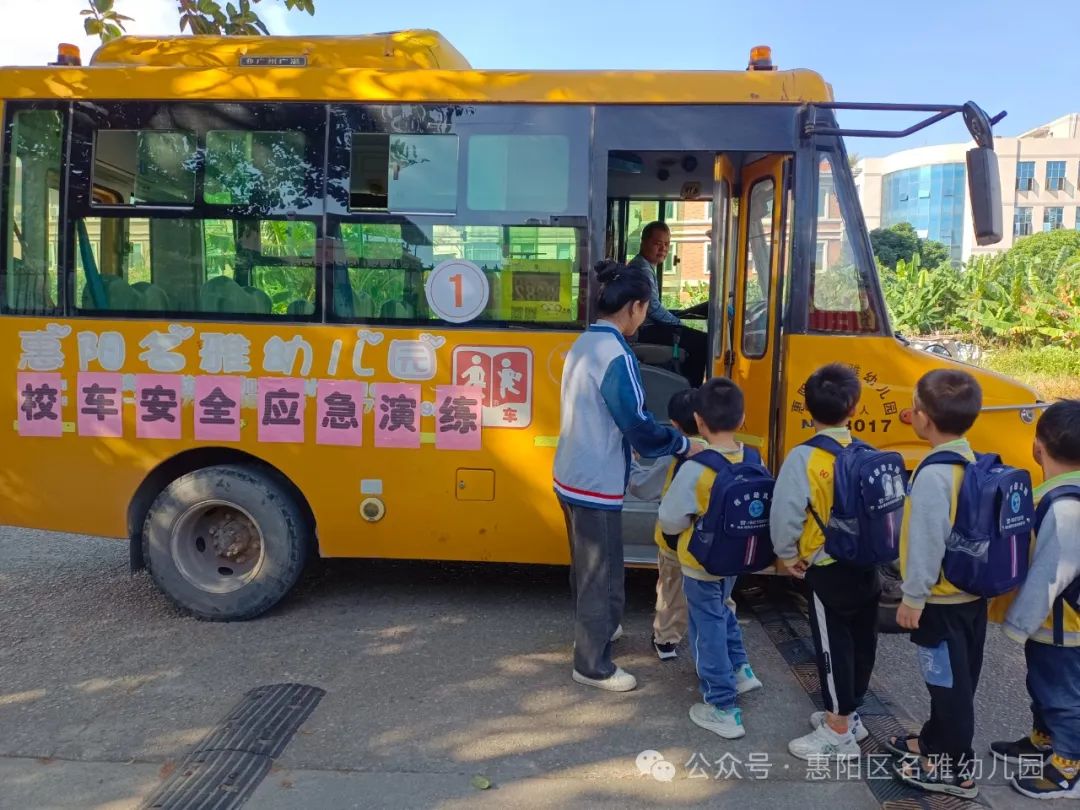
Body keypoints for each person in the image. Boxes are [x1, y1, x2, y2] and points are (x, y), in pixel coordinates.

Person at [553, 259, 694, 692]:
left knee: (588, 566)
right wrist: (683, 444)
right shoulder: (617, 354)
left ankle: (602, 627)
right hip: (595, 479)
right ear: (633, 307)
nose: (644, 318)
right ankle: (592, 664)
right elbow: (637, 426)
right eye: (645, 309)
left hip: (570, 472)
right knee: (603, 571)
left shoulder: (585, 343)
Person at [771, 364, 878, 761]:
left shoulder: (804, 457)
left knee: (832, 648)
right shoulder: (867, 453)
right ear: (854, 406)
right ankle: (852, 715)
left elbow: (786, 513)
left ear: (807, 409)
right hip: (867, 565)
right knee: (862, 641)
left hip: (826, 565)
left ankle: (837, 731)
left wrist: (787, 554)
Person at [889, 369, 985, 800]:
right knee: (958, 682)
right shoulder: (973, 462)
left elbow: (927, 541)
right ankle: (933, 741)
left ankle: (954, 769)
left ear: (922, 419)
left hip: (940, 602)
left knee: (948, 687)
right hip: (970, 598)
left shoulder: (932, 476)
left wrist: (913, 597)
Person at [658, 378, 762, 739]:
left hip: (701, 563)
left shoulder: (697, 467)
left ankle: (722, 705)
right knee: (725, 611)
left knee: (707, 627)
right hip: (736, 558)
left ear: (698, 421)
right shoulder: (752, 457)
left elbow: (671, 518)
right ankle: (741, 671)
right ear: (742, 417)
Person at [990, 399, 1080, 800]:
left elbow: (1050, 575)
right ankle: (1043, 739)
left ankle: (1069, 766)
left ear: (1037, 447)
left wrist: (1017, 623)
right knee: (1042, 683)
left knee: (1062, 695)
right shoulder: (1056, 497)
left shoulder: (1065, 508)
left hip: (1063, 626)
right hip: (1051, 625)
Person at [627, 389, 704, 661]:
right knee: (717, 595)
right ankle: (713, 641)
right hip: (712, 543)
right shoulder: (723, 453)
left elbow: (644, 488)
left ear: (674, 425)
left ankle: (666, 641)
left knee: (671, 590)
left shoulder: (674, 455)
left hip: (674, 542)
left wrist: (632, 464)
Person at [629, 221, 708, 386]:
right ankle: (693, 392)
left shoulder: (645, 266)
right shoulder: (641, 270)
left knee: (695, 338)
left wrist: (677, 317)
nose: (663, 249)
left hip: (648, 326)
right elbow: (653, 308)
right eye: (657, 244)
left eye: (666, 244)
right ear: (643, 243)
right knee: (702, 342)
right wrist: (678, 323)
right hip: (644, 329)